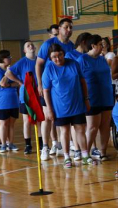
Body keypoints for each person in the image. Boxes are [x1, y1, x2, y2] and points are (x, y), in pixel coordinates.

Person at [42, 44, 89, 165]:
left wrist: (86, 99)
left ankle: (85, 154)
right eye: (54, 57)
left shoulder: (74, 64)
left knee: (80, 129)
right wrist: (49, 109)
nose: (58, 59)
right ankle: (67, 156)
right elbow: (46, 91)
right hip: (60, 107)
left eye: (60, 55)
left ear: (63, 53)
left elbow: (83, 82)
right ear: (50, 58)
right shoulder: (49, 69)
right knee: (65, 131)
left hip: (77, 103)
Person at [36, 17, 74, 158]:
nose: (69, 30)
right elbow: (38, 64)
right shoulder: (48, 44)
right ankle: (45, 147)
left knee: (64, 117)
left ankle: (65, 145)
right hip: (49, 87)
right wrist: (40, 83)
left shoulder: (71, 45)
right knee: (47, 118)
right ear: (59, 29)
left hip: (64, 90)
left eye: (71, 27)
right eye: (66, 27)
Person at [78, 34, 114, 162]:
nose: (102, 47)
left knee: (105, 126)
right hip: (92, 98)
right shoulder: (82, 60)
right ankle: (86, 154)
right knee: (92, 127)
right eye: (100, 45)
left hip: (106, 96)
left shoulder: (102, 59)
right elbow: (78, 80)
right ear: (93, 46)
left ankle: (103, 152)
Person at [5, 41, 38, 154]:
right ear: (24, 50)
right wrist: (20, 82)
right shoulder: (22, 62)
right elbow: (8, 73)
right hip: (26, 95)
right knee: (27, 120)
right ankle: (28, 145)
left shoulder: (40, 60)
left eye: (32, 44)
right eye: (28, 45)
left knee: (40, 119)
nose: (31, 46)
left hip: (39, 93)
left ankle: (42, 144)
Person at [0, 50, 19, 153]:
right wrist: (7, 74)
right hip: (2, 102)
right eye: (8, 57)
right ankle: (3, 144)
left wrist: (10, 84)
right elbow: (2, 83)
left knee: (11, 124)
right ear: (3, 59)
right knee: (4, 123)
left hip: (13, 100)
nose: (10, 58)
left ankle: (11, 143)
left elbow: (17, 83)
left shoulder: (13, 70)